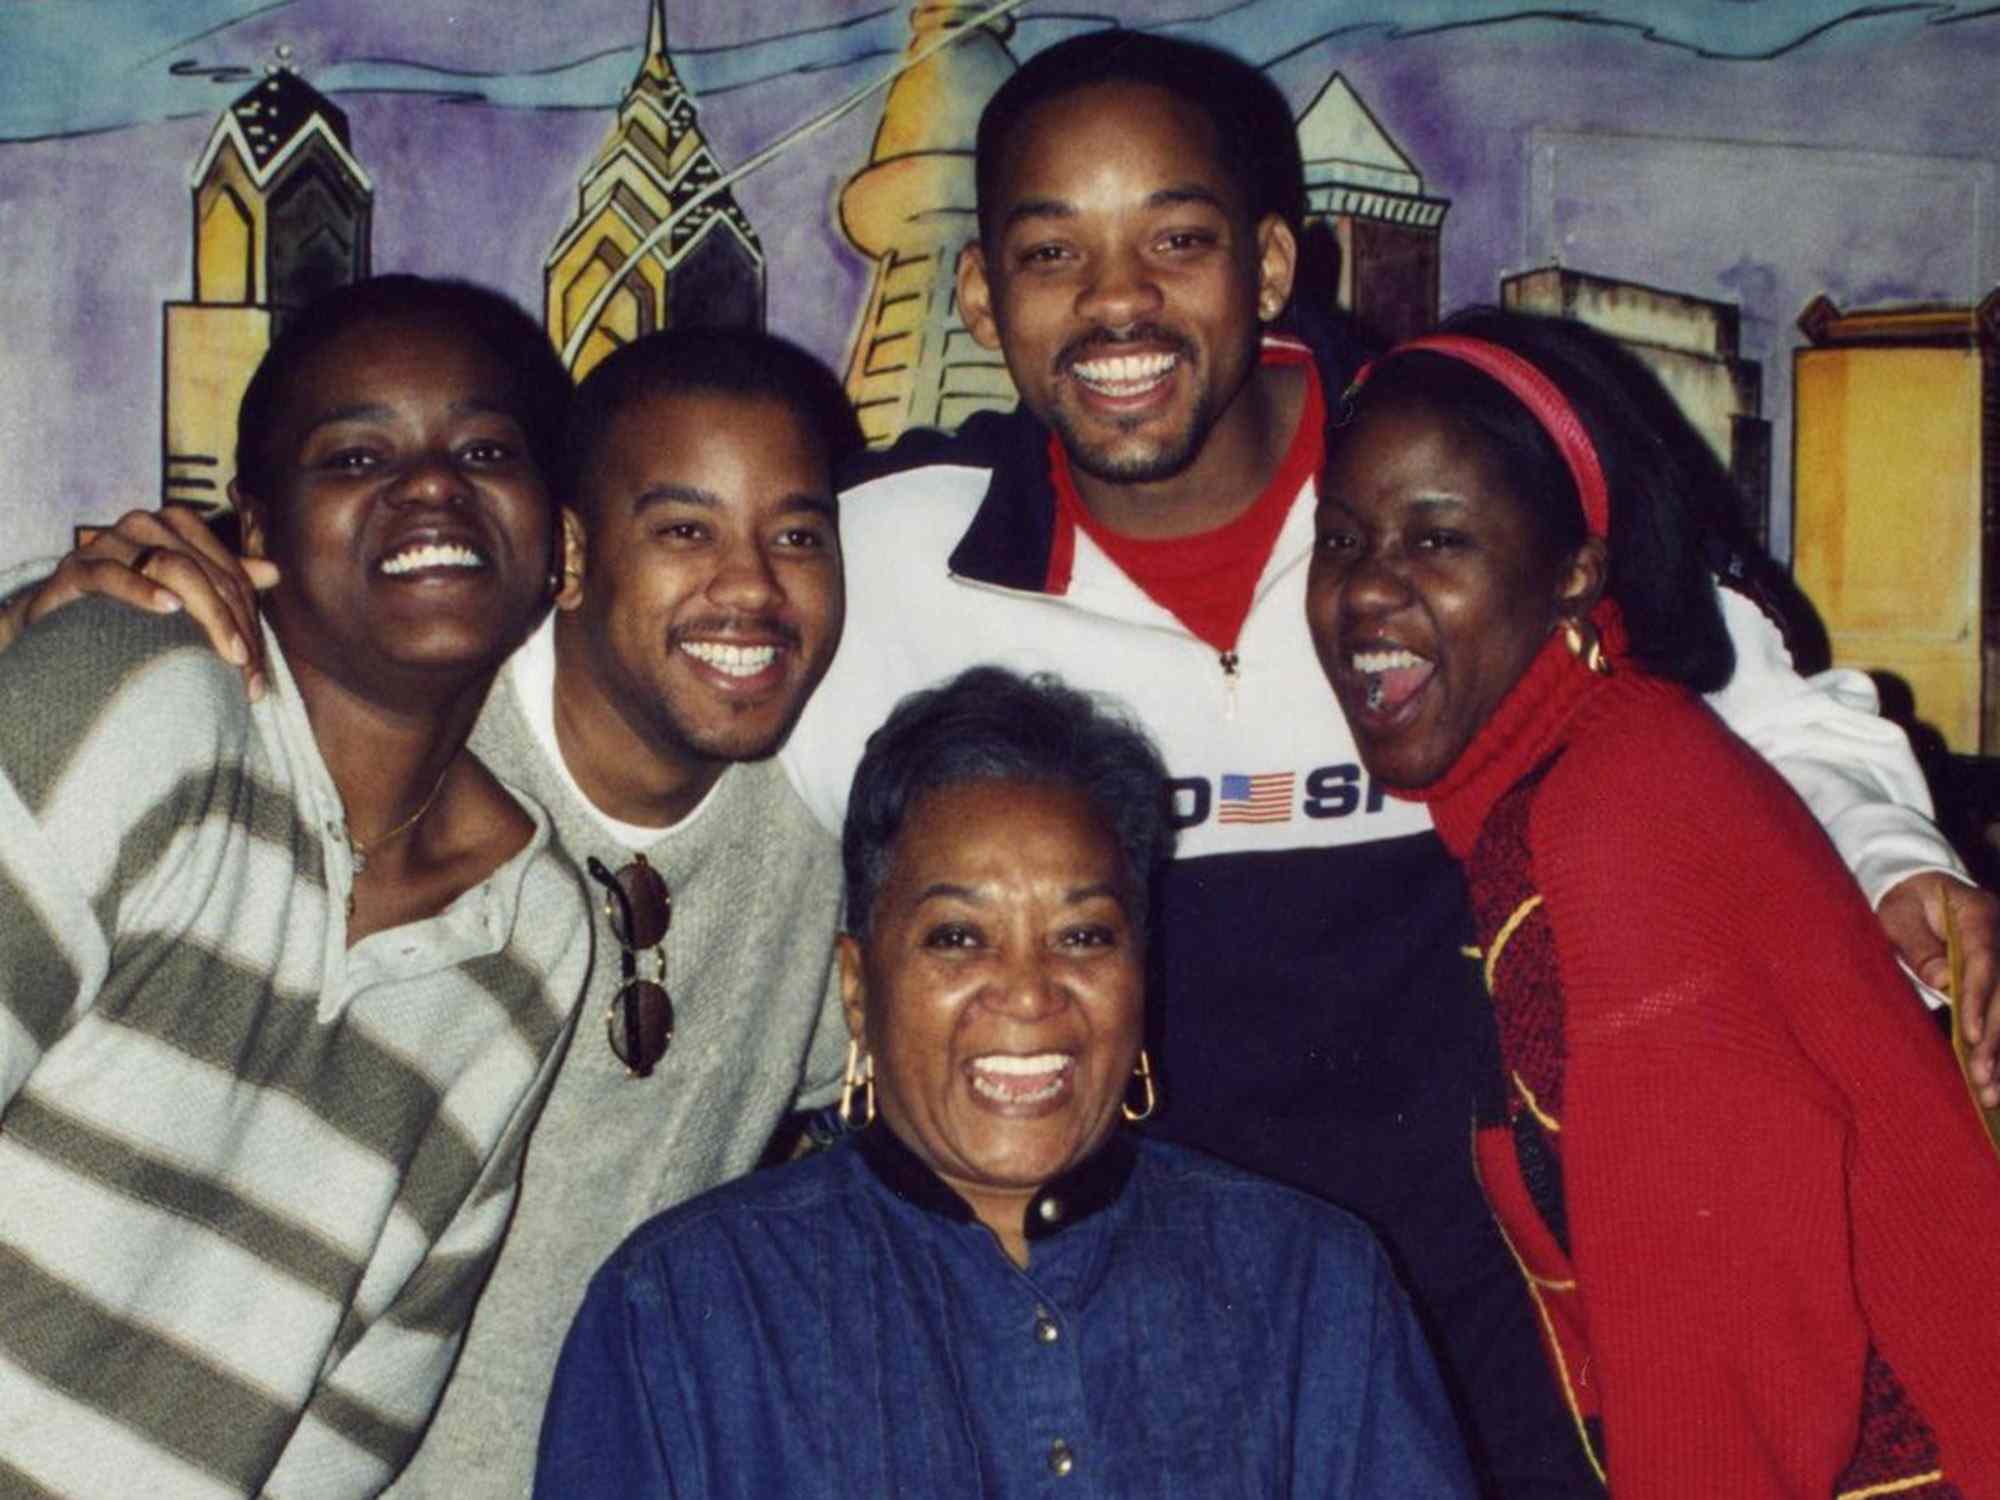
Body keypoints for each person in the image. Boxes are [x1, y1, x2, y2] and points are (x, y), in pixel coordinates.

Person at [773, 29, 2000, 1496]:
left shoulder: (1442, 496)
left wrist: (1900, 863)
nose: (1119, 304)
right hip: (1157, 1374)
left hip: (1526, 1350)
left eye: (1176, 240)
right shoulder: (885, 565)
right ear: (981, 293)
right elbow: (633, 690)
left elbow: (1746, 689)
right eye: (1053, 254)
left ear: (1273, 267)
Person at [0, 322, 860, 1496]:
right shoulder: (191, 703)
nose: (748, 583)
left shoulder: (565, 915)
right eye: (681, 528)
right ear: (574, 553)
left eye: (797, 535)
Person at [1306, 307, 2000, 1494]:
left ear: (1576, 570)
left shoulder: (1611, 820)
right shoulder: (1582, 772)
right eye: (1342, 540)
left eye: (1437, 541)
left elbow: (1723, 1356)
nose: (1370, 590)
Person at [535, 666, 1478, 1498]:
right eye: (957, 937)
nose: (1029, 992)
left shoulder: (1313, 1289)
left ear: (1142, 976)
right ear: (859, 990)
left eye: (1083, 936)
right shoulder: (682, 1314)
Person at [0, 275, 592, 1497]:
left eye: (485, 447)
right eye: (354, 454)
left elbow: (356, 1419)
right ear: (254, 534)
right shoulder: (133, 698)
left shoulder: (532, 937)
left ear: (559, 548)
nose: (430, 485)